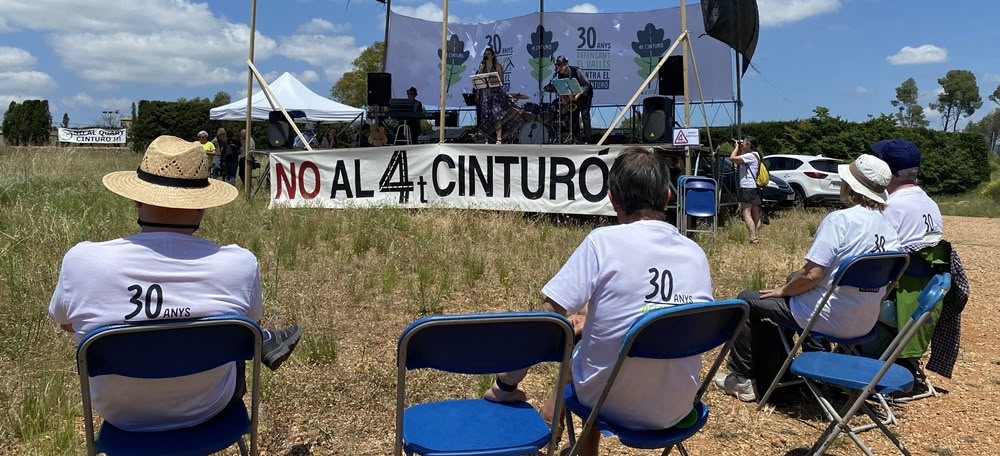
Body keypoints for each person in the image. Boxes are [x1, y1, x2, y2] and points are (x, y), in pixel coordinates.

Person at [48, 135, 303, 432]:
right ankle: (269, 342)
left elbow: (68, 325)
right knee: (241, 336)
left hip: (120, 415)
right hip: (210, 407)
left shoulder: (82, 261)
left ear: (136, 199)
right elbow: (251, 323)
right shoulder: (240, 264)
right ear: (202, 206)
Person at [484, 147, 714, 456]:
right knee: (595, 331)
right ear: (668, 196)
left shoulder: (601, 243)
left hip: (608, 401)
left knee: (576, 343)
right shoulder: (695, 253)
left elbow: (546, 317)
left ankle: (509, 392)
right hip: (678, 407)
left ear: (612, 199)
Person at [716, 154, 901, 402]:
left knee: (747, 300)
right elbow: (889, 281)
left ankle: (741, 378)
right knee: (793, 281)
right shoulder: (888, 228)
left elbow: (813, 273)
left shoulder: (840, 220)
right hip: (864, 320)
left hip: (828, 317)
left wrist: (784, 291)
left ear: (850, 186)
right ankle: (787, 365)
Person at [873, 139, 943, 247]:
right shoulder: (931, 203)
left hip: (905, 263)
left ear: (886, 170)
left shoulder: (890, 207)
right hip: (929, 263)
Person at [474, 47, 517, 144]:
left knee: (497, 116)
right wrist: (481, 69)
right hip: (485, 95)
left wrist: (493, 81)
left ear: (492, 55)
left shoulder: (498, 66)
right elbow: (478, 79)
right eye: (485, 54)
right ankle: (486, 138)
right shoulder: (482, 66)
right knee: (485, 117)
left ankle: (499, 138)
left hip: (496, 95)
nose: (486, 55)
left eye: (488, 54)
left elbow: (502, 81)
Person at [554, 56, 593, 144]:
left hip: (585, 95)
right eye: (558, 66)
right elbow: (560, 88)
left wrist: (578, 95)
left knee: (585, 115)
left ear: (566, 65)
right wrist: (563, 99)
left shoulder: (577, 71)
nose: (559, 67)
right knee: (573, 117)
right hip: (573, 96)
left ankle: (588, 139)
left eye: (561, 65)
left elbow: (587, 85)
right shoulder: (559, 75)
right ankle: (576, 138)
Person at [730, 137, 762, 244]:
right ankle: (756, 236)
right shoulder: (755, 155)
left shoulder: (749, 156)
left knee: (746, 214)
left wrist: (736, 147)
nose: (742, 143)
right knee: (755, 213)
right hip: (753, 187)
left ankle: (753, 238)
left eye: (744, 142)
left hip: (747, 187)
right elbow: (740, 158)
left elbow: (733, 158)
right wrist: (741, 147)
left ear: (749, 145)